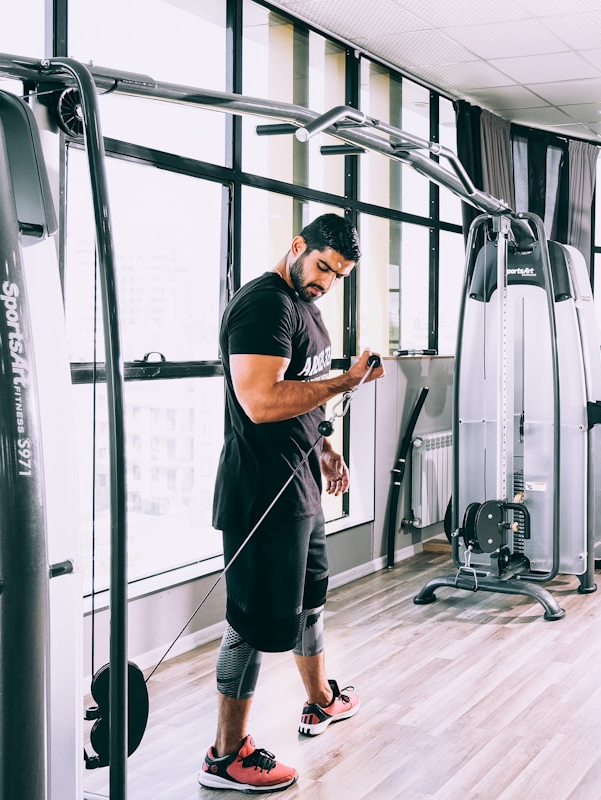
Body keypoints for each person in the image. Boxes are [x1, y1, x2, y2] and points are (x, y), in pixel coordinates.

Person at [198, 213, 384, 793]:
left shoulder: (306, 305)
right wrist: (347, 383)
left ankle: (321, 699)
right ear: (298, 246)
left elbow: (302, 389)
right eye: (323, 266)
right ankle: (226, 755)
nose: (327, 281)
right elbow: (260, 400)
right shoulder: (264, 306)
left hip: (299, 482)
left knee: (310, 603)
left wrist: (325, 446)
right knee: (249, 626)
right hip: (261, 495)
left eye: (339, 275)